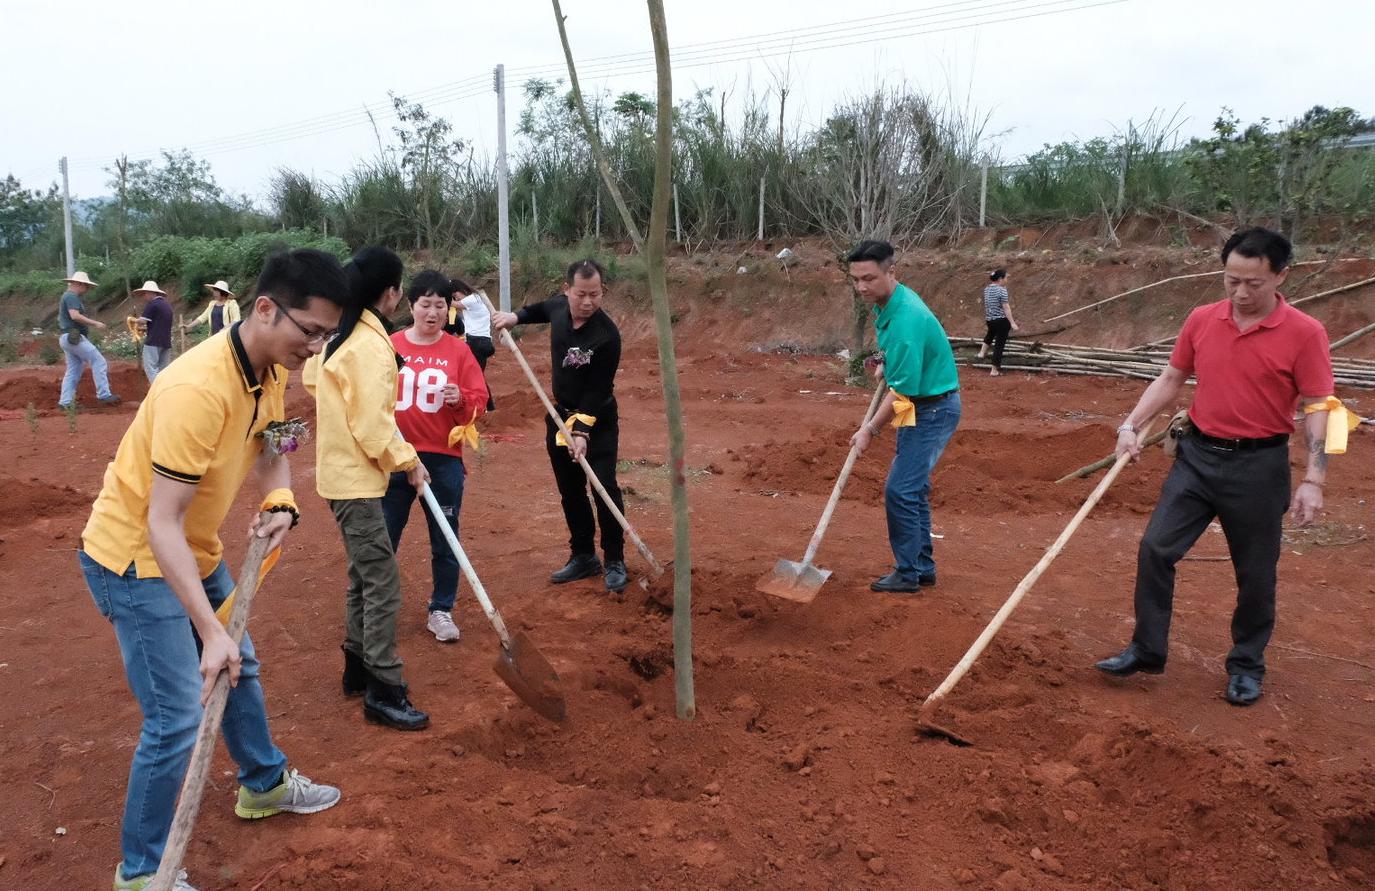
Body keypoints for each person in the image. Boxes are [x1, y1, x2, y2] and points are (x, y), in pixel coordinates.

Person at [78, 249, 349, 891]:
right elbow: (159, 524)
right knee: (176, 715)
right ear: (264, 308)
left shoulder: (271, 366)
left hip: (193, 552)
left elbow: (276, 443)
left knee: (241, 664)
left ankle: (261, 784)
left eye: (324, 336)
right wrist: (210, 628)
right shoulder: (196, 389)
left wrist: (280, 498)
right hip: (135, 561)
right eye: (308, 331)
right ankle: (143, 873)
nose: (314, 347)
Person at [1095, 228, 1339, 707]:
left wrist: (1314, 480)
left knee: (1255, 572)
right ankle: (1147, 649)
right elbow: (1171, 378)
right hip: (1197, 457)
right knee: (1156, 549)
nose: (1241, 294)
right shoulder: (1202, 319)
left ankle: (1247, 665)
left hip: (1259, 466)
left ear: (1281, 276)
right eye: (1232, 281)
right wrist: (1131, 424)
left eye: (1254, 284)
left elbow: (1320, 406)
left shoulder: (1305, 333)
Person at [305, 246, 431, 731]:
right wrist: (409, 461)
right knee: (381, 581)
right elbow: (375, 427)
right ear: (393, 292)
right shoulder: (370, 346)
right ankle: (383, 686)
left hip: (344, 477)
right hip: (356, 481)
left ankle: (356, 669)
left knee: (364, 575)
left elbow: (315, 379)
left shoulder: (343, 337)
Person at [491, 259, 628, 593]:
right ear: (567, 290)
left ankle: (614, 559)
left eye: (594, 295)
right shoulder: (558, 307)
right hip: (558, 416)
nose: (587, 302)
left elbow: (598, 390)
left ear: (602, 292)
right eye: (581, 294)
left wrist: (581, 433)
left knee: (604, 486)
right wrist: (515, 317)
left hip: (597, 420)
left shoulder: (607, 336)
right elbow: (539, 309)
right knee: (570, 490)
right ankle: (583, 556)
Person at [846, 240, 962, 593]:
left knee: (900, 490)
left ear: (890, 271)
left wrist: (869, 429)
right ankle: (921, 566)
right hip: (922, 401)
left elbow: (903, 395)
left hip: (932, 407)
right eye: (856, 280)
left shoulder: (907, 316)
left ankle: (907, 572)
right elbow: (902, 365)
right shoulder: (888, 303)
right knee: (913, 489)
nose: (862, 287)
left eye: (869, 278)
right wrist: (888, 364)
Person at [382, 271, 489, 643]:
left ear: (449, 310)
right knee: (383, 538)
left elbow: (479, 405)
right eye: (425, 304)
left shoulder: (459, 351)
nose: (432, 312)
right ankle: (376, 608)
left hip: (442, 461)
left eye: (439, 305)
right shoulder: (388, 345)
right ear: (411, 306)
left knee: (446, 539)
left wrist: (460, 399)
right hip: (394, 459)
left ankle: (441, 610)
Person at [56, 270, 120, 409]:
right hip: (74, 336)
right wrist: (95, 323)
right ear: (79, 284)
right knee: (98, 360)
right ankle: (104, 395)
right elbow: (75, 316)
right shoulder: (71, 297)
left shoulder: (67, 296)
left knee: (74, 369)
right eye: (86, 286)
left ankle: (65, 402)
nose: (87, 289)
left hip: (67, 337)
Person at [451, 277, 497, 411]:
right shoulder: (477, 298)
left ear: (460, 290)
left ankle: (487, 407)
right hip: (482, 341)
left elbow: (453, 305)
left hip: (476, 341)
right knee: (477, 374)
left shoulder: (471, 299)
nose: (456, 298)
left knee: (476, 376)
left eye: (456, 295)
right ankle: (488, 406)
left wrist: (444, 295)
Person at [976, 268, 1020, 375]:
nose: (1007, 280)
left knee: (990, 334)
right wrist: (1012, 323)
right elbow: (1006, 308)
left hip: (990, 320)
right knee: (999, 345)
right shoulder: (1002, 290)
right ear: (1000, 279)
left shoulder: (987, 289)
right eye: (1006, 278)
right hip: (1001, 321)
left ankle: (982, 353)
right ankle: (994, 370)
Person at [134, 280, 175, 382]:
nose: (144, 296)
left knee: (151, 369)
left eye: (145, 293)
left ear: (150, 292)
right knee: (163, 371)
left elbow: (142, 321)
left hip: (153, 342)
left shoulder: (152, 305)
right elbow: (159, 324)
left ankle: (156, 392)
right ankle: (165, 392)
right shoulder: (167, 306)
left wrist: (132, 320)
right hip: (166, 342)